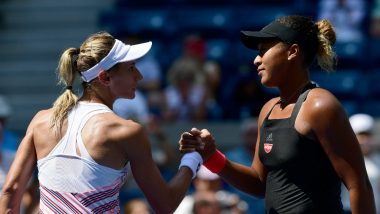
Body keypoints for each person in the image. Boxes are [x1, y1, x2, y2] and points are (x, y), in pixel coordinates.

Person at [179, 15, 376, 213]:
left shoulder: (321, 106)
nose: (256, 60)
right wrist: (211, 156)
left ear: (293, 52)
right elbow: (259, 184)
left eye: (264, 51)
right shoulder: (268, 109)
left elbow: (358, 185)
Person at [0, 31, 204, 213]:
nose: (139, 76)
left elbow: (10, 192)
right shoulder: (127, 132)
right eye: (131, 68)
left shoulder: (40, 120)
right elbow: (165, 205)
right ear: (105, 77)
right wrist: (192, 159)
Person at [341, 113, 380, 213]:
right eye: (360, 135)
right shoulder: (342, 160)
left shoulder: (377, 159)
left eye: (368, 135)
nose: (365, 139)